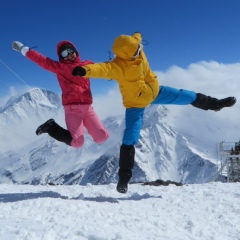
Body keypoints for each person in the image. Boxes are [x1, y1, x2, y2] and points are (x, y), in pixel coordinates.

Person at [71, 32, 236, 193]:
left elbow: (137, 38)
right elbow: (101, 69)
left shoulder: (137, 48)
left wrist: (138, 35)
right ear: (126, 54)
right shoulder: (118, 67)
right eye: (135, 50)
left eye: (138, 48)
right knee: (129, 139)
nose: (139, 51)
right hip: (135, 104)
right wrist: (85, 71)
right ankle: (123, 179)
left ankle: (216, 104)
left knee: (186, 95)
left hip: (155, 92)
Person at [12, 40, 109, 148]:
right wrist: (24, 50)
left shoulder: (87, 65)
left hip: (87, 108)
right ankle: (51, 127)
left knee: (102, 137)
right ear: (61, 57)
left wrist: (119, 62)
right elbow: (41, 60)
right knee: (78, 143)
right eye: (64, 53)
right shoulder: (59, 68)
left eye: (70, 51)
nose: (69, 55)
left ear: (76, 51)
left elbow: (103, 68)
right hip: (72, 110)